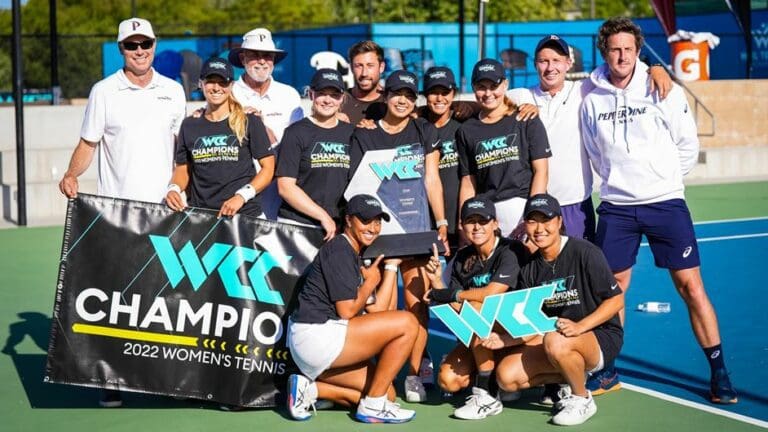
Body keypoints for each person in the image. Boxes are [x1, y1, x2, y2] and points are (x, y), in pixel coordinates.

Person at [581, 17, 737, 404]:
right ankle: (608, 369)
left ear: (639, 51)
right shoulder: (590, 96)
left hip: (665, 203)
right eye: (615, 50)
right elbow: (595, 152)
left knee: (690, 287)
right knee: (613, 291)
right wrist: (619, 182)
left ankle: (719, 371)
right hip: (617, 208)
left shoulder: (661, 87)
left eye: (629, 49)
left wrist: (661, 181)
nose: (622, 56)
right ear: (604, 52)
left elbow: (686, 144)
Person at [57, 17, 186, 408]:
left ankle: (163, 377)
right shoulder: (103, 91)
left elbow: (182, 155)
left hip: (165, 214)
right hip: (117, 216)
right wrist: (71, 174)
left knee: (165, 300)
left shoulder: (174, 90)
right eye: (132, 45)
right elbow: (88, 143)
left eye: (145, 43)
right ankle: (111, 379)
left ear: (154, 45)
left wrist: (176, 188)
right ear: (121, 50)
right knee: (118, 300)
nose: (140, 51)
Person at [507, 34, 672, 244]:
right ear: (535, 64)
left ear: (568, 63)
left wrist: (655, 67)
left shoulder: (584, 89)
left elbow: (620, 65)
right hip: (534, 205)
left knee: (579, 264)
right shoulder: (520, 96)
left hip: (575, 205)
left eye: (557, 60)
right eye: (543, 61)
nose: (550, 67)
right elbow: (483, 101)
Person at [348, 69, 449, 403]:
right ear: (385, 96)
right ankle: (384, 372)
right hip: (378, 234)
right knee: (382, 309)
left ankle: (415, 373)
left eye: (408, 96)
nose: (402, 101)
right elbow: (359, 188)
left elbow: (431, 179)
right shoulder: (364, 134)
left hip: (417, 230)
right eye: (396, 95)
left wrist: (441, 221)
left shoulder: (424, 130)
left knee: (418, 304)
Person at [480, 193, 624, 426]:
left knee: (556, 341)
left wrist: (580, 326)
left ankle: (581, 398)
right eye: (532, 221)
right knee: (506, 377)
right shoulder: (530, 268)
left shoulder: (585, 252)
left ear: (559, 222)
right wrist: (504, 341)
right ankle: (572, 375)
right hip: (554, 337)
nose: (540, 229)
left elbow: (616, 300)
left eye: (546, 220)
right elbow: (533, 322)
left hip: (598, 336)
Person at [286, 194, 418, 423]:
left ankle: (310, 390)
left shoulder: (354, 253)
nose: (373, 228)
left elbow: (378, 310)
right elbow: (347, 311)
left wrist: (391, 268)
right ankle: (373, 407)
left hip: (324, 342)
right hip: (315, 337)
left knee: (386, 392)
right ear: (348, 220)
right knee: (408, 323)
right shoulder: (340, 250)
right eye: (366, 221)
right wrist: (370, 282)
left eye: (377, 221)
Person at [423, 196, 528, 420]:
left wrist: (453, 295)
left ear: (495, 223)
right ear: (462, 226)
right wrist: (437, 282)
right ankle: (490, 373)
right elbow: (453, 305)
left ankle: (486, 391)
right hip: (481, 335)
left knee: (477, 307)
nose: (477, 227)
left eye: (483, 221)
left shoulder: (511, 250)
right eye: (471, 221)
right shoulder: (462, 257)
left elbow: (491, 293)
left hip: (514, 335)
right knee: (448, 381)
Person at [165, 58, 274, 219]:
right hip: (203, 217)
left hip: (244, 215)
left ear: (231, 85)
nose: (216, 88)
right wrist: (174, 188)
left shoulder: (249, 120)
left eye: (222, 82)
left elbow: (268, 168)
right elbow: (183, 169)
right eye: (210, 81)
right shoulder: (189, 125)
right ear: (201, 84)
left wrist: (242, 196)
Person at [457, 59, 551, 237]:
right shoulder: (466, 130)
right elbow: (468, 182)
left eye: (494, 86)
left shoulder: (526, 119)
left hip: (523, 210)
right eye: (481, 87)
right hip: (486, 218)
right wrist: (463, 223)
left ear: (505, 84)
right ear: (473, 87)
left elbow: (541, 172)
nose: (488, 93)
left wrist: (531, 216)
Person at [228, 27, 304, 219]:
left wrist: (261, 131)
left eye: (267, 56)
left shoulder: (289, 95)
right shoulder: (228, 93)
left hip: (280, 192)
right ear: (243, 58)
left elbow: (298, 149)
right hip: (237, 194)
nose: (262, 61)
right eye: (255, 55)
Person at [276, 68, 354, 238]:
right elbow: (285, 187)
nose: (327, 100)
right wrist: (322, 216)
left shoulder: (351, 133)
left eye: (334, 95)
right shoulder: (295, 133)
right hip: (298, 225)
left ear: (342, 98)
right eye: (321, 93)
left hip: (337, 226)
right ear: (311, 95)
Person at [339, 40, 387, 125]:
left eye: (370, 66)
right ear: (351, 68)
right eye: (359, 66)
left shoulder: (393, 103)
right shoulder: (338, 102)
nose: (364, 73)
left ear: (381, 67)